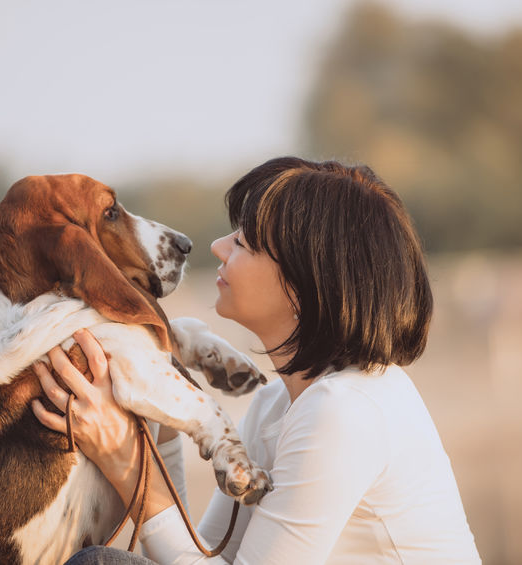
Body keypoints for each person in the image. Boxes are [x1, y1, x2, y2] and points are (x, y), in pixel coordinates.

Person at [31, 157, 482, 564]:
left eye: (244, 243)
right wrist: (162, 432)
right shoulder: (278, 404)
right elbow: (206, 554)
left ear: (306, 282)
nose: (217, 247)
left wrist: (128, 467)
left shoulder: (345, 410)